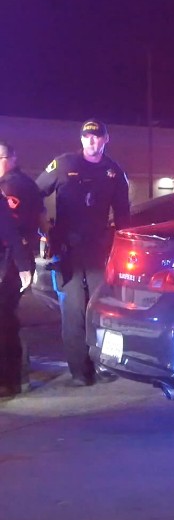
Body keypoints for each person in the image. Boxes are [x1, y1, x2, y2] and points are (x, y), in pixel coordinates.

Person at [36, 119, 130, 387]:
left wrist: (123, 245)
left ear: (105, 139)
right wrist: (43, 224)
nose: (91, 141)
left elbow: (124, 216)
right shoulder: (64, 164)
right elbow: (35, 192)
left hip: (100, 251)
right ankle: (80, 371)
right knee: (73, 311)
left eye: (97, 136)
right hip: (68, 251)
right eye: (87, 137)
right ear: (81, 140)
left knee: (102, 310)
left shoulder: (114, 172)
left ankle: (103, 364)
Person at [0, 141, 47, 391]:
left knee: (5, 317)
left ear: (12, 158)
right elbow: (40, 218)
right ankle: (17, 371)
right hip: (18, 256)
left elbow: (10, 227)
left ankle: (11, 377)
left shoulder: (11, 186)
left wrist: (22, 262)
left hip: (10, 259)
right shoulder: (27, 183)